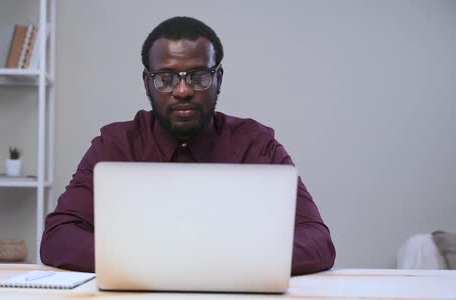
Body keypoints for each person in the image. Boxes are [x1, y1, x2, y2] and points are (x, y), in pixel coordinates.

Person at [41, 16, 336, 276]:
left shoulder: (257, 145)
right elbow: (58, 237)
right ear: (147, 83)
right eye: (166, 78)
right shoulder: (114, 147)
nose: (183, 91)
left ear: (218, 79)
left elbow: (317, 241)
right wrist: (159, 261)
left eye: (199, 77)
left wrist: (221, 262)